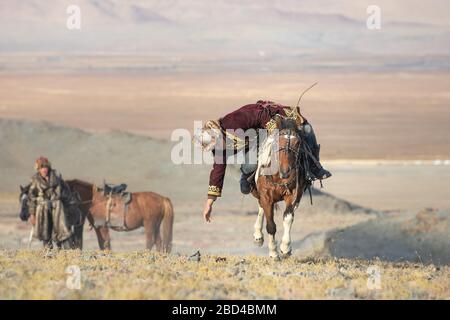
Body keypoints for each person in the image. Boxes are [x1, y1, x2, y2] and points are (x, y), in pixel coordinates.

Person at [194, 100, 331, 222]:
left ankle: (315, 167)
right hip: (257, 137)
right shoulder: (219, 148)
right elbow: (218, 170)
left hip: (272, 118)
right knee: (249, 166)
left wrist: (275, 130)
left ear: (218, 135)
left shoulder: (234, 121)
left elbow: (259, 114)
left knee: (306, 128)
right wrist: (209, 202)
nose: (216, 148)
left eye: (216, 144)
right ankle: (246, 177)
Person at [27, 157, 73, 249]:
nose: (44, 169)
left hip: (57, 208)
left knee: (63, 231)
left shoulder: (57, 178)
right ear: (38, 169)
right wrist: (32, 214)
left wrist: (68, 206)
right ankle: (48, 253)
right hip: (43, 209)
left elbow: (66, 192)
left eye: (45, 167)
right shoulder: (35, 180)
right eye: (42, 167)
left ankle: (67, 252)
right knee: (45, 233)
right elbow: (31, 198)